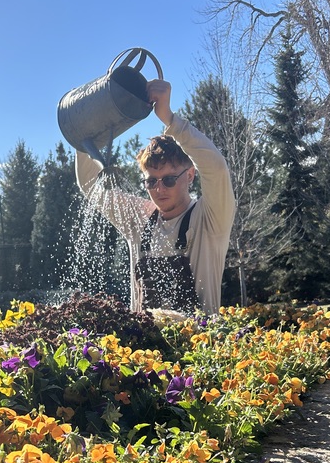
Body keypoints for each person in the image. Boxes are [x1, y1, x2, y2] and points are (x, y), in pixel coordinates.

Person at [75, 78, 236, 315]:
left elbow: (216, 168)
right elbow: (91, 185)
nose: (159, 189)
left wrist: (169, 119)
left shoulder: (210, 218)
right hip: (144, 350)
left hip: (199, 347)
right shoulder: (138, 218)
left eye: (169, 180)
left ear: (190, 174)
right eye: (151, 181)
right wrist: (85, 135)